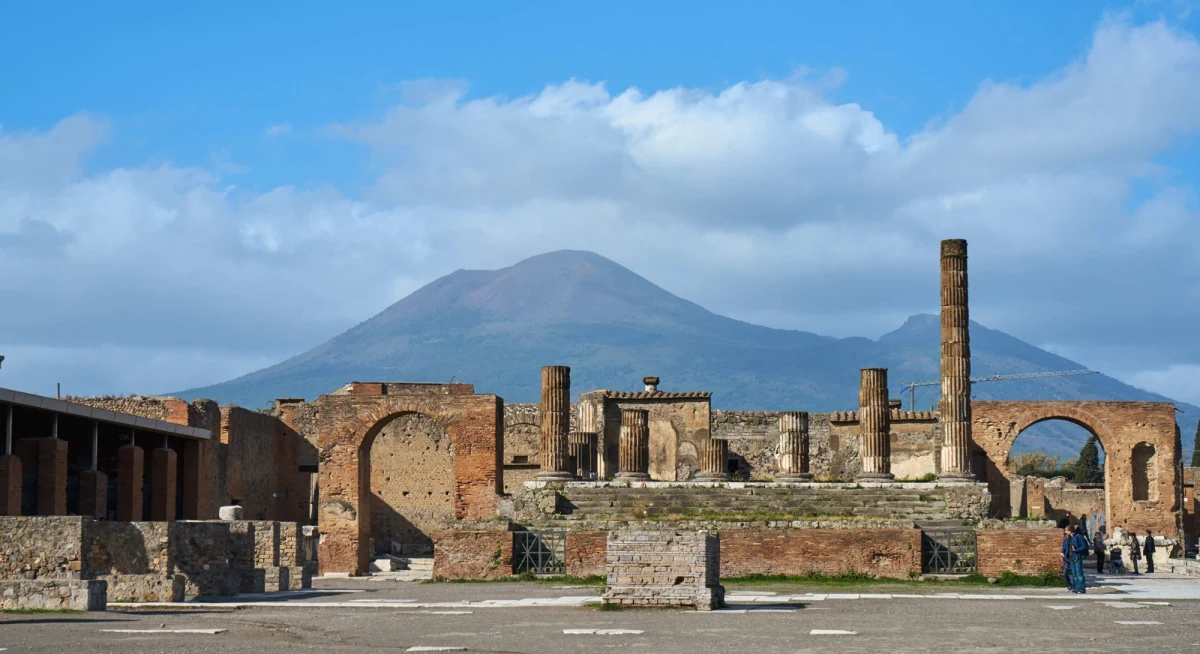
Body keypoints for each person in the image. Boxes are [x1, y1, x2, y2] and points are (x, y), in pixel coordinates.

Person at [1069, 525, 1089, 593]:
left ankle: (1082, 588)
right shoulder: (1070, 538)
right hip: (1072, 557)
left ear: (1070, 531)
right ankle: (1076, 588)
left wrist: (1076, 550)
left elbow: (1084, 546)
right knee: (1074, 573)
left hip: (1078, 556)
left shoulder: (1079, 536)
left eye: (1066, 531)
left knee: (1079, 573)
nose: (1065, 532)